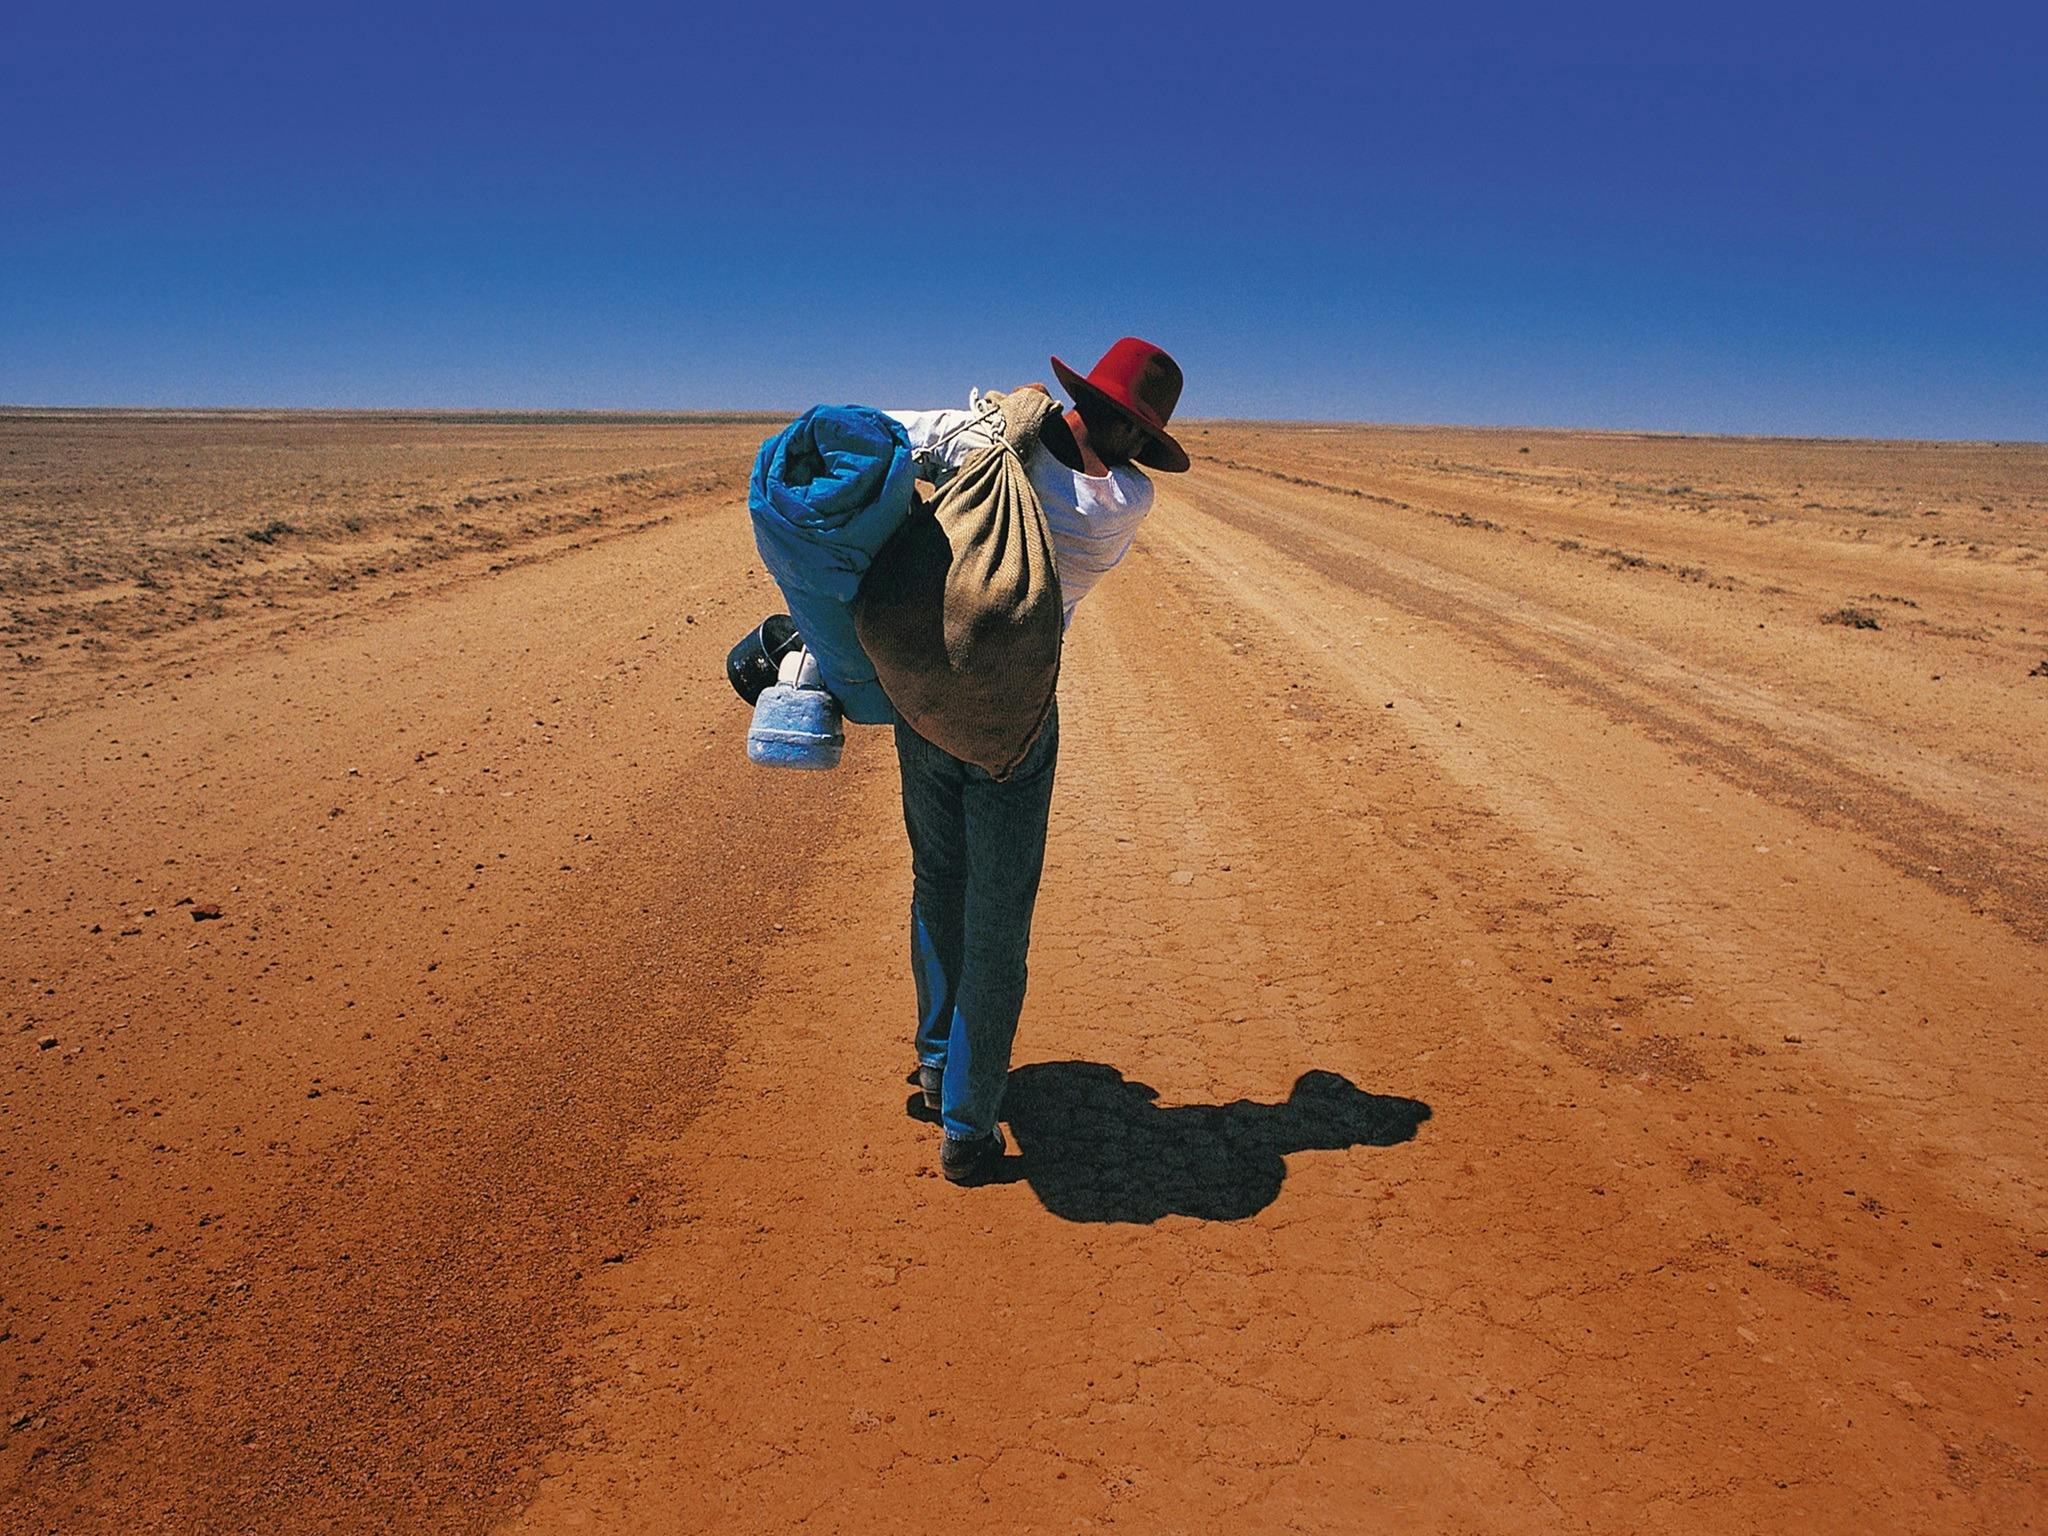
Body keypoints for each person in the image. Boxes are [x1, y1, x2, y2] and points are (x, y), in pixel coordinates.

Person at [884, 337, 1188, 1183]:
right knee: (999, 919)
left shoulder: (984, 438)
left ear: (1081, 393)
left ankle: (939, 1063)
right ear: (1143, 433)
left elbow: (880, 432)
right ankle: (969, 1125)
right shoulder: (1127, 499)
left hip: (929, 696)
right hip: (1014, 719)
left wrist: (1004, 416)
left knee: (936, 880)